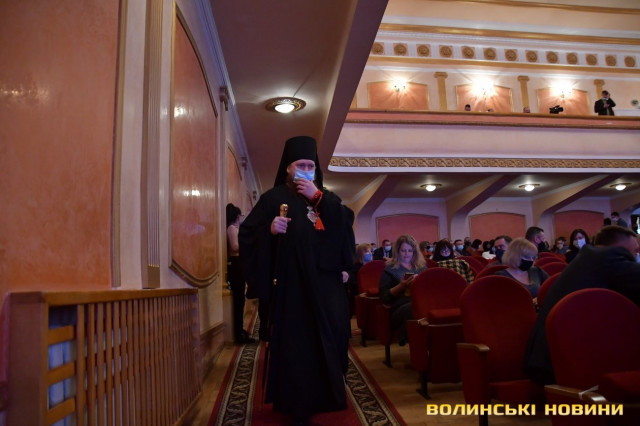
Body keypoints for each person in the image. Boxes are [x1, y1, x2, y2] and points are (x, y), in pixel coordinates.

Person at [239, 135, 354, 423]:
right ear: (288, 168)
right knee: (296, 344)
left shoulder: (325, 198)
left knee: (329, 338)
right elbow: (248, 234)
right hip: (292, 286)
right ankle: (296, 403)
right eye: (300, 165)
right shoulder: (272, 199)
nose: (305, 170)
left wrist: (317, 197)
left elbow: (344, 227)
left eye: (310, 166)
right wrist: (270, 230)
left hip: (325, 287)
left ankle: (326, 397)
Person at [524, 225, 640, 385]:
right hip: (568, 363)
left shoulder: (587, 259)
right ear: (618, 246)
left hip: (548, 358)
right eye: (635, 250)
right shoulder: (609, 257)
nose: (636, 255)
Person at [378, 234, 427, 346]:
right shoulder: (390, 270)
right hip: (398, 307)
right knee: (413, 307)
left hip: (420, 303)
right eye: (403, 250)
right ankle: (411, 340)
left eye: (410, 251)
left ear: (414, 252)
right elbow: (384, 297)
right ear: (397, 251)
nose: (406, 254)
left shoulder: (421, 268)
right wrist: (401, 286)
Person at [226, 203, 256, 344]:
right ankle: (238, 334)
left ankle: (240, 330)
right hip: (236, 265)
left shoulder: (236, 229)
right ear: (237, 216)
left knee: (241, 299)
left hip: (239, 264)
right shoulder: (232, 229)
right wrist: (247, 243)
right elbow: (235, 247)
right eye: (240, 215)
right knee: (238, 300)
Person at [346, 243, 372, 315]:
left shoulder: (373, 266)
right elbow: (353, 284)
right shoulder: (354, 268)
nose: (370, 253)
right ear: (360, 254)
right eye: (367, 252)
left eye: (370, 251)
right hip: (359, 296)